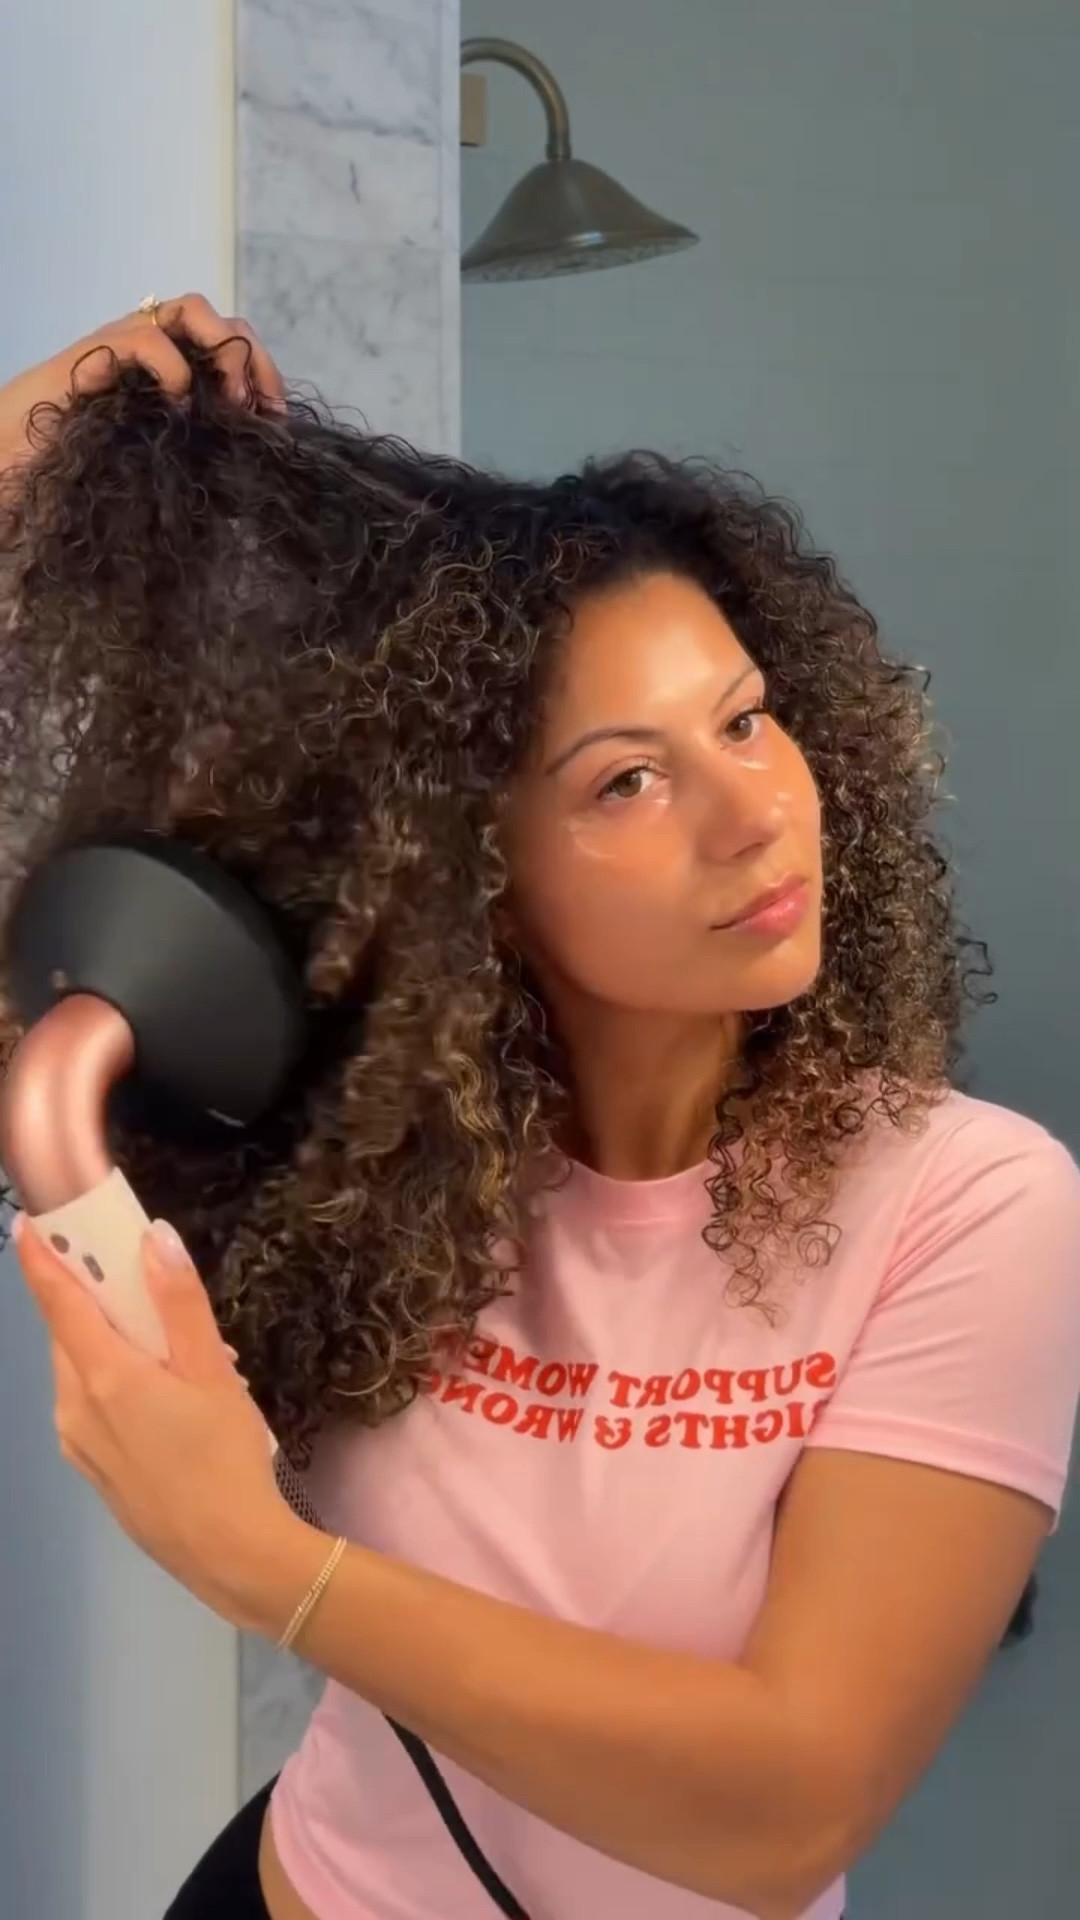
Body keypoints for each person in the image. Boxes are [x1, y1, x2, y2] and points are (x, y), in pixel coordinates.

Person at [1, 295, 1079, 1920]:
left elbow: (786, 1804)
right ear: (474, 879)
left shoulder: (968, 1204)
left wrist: (273, 1572)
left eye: (747, 720)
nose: (752, 815)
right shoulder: (343, 1130)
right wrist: (30, 470)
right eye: (626, 781)